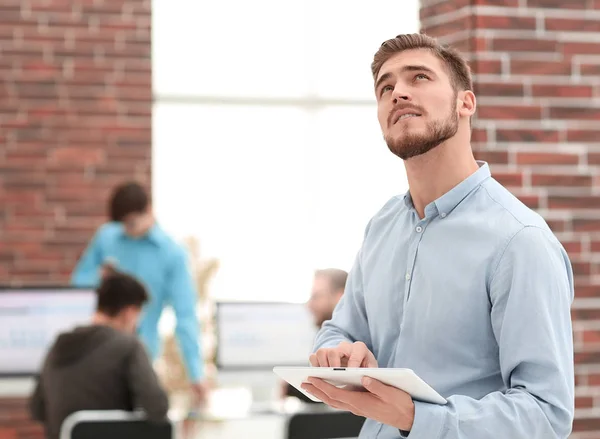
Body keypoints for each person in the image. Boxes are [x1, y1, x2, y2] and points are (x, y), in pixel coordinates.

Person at [302, 33, 574, 439]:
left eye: (419, 78)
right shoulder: (382, 226)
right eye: (386, 87)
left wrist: (416, 417)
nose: (399, 93)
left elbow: (546, 415)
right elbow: (342, 329)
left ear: (466, 103)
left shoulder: (519, 241)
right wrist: (338, 352)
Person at [70, 182, 208, 402]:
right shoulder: (107, 237)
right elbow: (78, 285)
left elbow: (186, 316)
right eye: (121, 224)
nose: (126, 229)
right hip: (99, 351)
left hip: (142, 354)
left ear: (149, 211)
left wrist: (196, 373)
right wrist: (99, 277)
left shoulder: (172, 254)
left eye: (131, 223)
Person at [30, 272, 169, 439]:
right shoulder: (129, 346)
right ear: (130, 312)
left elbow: (36, 409)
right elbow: (157, 407)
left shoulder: (58, 345)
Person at [284, 268, 348, 402]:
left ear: (341, 296)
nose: (309, 305)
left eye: (317, 296)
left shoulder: (354, 344)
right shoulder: (325, 339)